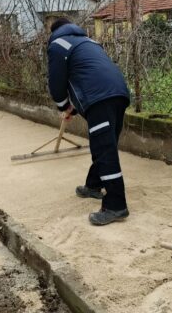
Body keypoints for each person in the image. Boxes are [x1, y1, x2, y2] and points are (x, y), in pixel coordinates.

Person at [47, 18, 131, 226]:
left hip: (99, 97)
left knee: (105, 149)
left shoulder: (58, 45)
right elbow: (88, 76)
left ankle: (115, 205)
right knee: (105, 143)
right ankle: (93, 186)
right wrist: (72, 108)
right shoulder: (88, 42)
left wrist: (62, 106)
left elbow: (56, 82)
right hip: (118, 93)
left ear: (54, 31)